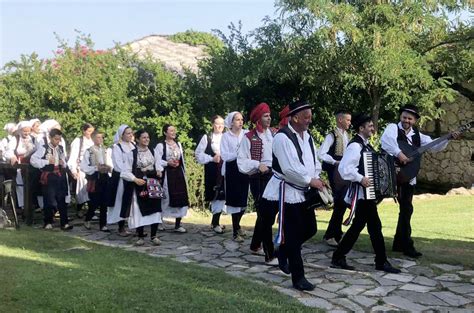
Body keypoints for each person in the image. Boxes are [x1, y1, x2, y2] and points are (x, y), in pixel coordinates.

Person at [380, 105, 460, 258]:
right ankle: (405, 245)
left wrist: (448, 138)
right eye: (404, 117)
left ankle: (400, 243)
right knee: (381, 206)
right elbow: (386, 142)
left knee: (406, 210)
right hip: (391, 174)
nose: (406, 121)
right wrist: (400, 154)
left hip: (407, 177)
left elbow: (433, 145)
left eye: (410, 119)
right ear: (400, 117)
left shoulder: (417, 135)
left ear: (415, 121)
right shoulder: (392, 128)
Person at [262, 100, 324, 291]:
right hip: (287, 191)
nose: (309, 120)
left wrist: (317, 177)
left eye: (310, 116)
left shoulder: (308, 137)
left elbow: (313, 160)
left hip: (302, 191)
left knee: (311, 229)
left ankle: (283, 250)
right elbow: (289, 169)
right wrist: (310, 180)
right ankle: (298, 278)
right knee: (295, 235)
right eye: (306, 117)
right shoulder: (282, 137)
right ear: (295, 117)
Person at [331, 114, 400, 273]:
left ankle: (338, 256)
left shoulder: (366, 146)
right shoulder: (355, 146)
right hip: (362, 195)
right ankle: (381, 261)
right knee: (375, 227)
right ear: (361, 128)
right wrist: (360, 178)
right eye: (369, 126)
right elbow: (344, 169)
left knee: (358, 226)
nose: (372, 128)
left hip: (367, 195)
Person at [237, 102, 277, 264]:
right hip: (258, 178)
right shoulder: (249, 137)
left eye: (269, 115)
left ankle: (254, 245)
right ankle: (269, 254)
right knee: (265, 215)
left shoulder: (273, 135)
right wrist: (256, 164)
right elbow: (241, 162)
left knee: (268, 214)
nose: (269, 118)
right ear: (258, 119)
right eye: (266, 116)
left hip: (273, 176)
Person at [122, 129, 163, 246]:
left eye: (148, 137)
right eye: (144, 137)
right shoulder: (132, 154)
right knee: (139, 210)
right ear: (138, 139)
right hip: (139, 184)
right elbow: (125, 171)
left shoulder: (153, 152)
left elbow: (158, 164)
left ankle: (154, 236)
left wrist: (159, 171)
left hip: (153, 183)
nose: (147, 139)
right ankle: (140, 236)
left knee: (155, 210)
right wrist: (135, 179)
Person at [319, 110, 352, 247]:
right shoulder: (332, 136)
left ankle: (336, 232)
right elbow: (321, 153)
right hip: (335, 172)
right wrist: (334, 162)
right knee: (340, 202)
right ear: (340, 120)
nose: (350, 123)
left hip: (344, 172)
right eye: (347, 120)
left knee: (342, 202)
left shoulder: (347, 135)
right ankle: (331, 234)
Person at [30, 128, 73, 230]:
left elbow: (64, 160)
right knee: (49, 200)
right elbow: (33, 160)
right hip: (49, 176)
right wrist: (46, 162)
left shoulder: (60, 148)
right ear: (50, 138)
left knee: (62, 200)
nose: (57, 141)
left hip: (60, 176)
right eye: (55, 139)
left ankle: (64, 223)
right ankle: (48, 222)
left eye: (59, 139)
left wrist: (63, 163)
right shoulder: (44, 148)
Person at [195, 115, 226, 234]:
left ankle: (216, 221)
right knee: (216, 195)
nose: (220, 126)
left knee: (223, 195)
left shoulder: (226, 137)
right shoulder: (207, 138)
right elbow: (198, 154)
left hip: (224, 169)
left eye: (222, 124)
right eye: (218, 124)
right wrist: (211, 158)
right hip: (213, 170)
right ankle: (215, 223)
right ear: (213, 124)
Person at [155, 124, 189, 233]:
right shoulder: (161, 146)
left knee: (181, 196)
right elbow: (156, 160)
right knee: (165, 197)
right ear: (165, 133)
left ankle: (178, 224)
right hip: (167, 174)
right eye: (171, 131)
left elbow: (181, 159)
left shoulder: (178, 144)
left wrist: (183, 171)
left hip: (178, 174)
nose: (173, 132)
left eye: (174, 130)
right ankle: (159, 222)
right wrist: (167, 163)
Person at [221, 112, 249, 242]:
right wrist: (238, 153)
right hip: (232, 169)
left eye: (242, 119)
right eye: (237, 120)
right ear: (231, 122)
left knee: (243, 201)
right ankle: (235, 231)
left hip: (244, 168)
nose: (240, 122)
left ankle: (237, 226)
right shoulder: (226, 136)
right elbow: (225, 156)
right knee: (234, 201)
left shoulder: (246, 134)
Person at [80, 129, 112, 232]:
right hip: (95, 178)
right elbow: (83, 166)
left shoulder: (105, 150)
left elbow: (110, 162)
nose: (100, 139)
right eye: (98, 137)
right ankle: (88, 218)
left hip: (105, 177)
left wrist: (109, 168)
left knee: (104, 202)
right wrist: (95, 168)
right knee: (94, 201)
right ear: (93, 138)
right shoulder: (89, 151)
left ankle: (103, 224)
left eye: (102, 137)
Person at [107, 124, 135, 236]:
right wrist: (128, 174)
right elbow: (118, 166)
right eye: (128, 133)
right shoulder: (117, 148)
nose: (130, 135)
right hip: (121, 178)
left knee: (132, 202)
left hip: (133, 176)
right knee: (120, 201)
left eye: (131, 133)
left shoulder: (133, 146)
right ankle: (121, 227)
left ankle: (134, 225)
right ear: (121, 135)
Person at [4, 121, 37, 212]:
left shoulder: (34, 139)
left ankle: (33, 204)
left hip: (32, 164)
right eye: (24, 131)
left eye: (28, 131)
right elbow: (8, 150)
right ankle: (22, 205)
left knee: (32, 184)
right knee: (20, 185)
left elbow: (38, 150)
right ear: (20, 131)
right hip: (19, 165)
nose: (26, 133)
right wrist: (12, 156)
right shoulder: (15, 139)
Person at [68, 123, 95, 217]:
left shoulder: (92, 141)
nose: (90, 133)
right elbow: (73, 156)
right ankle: (79, 208)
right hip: (81, 168)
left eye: (92, 132)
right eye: (89, 131)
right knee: (82, 189)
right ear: (84, 131)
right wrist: (73, 170)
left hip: (91, 168)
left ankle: (91, 210)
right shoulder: (78, 141)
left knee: (92, 188)